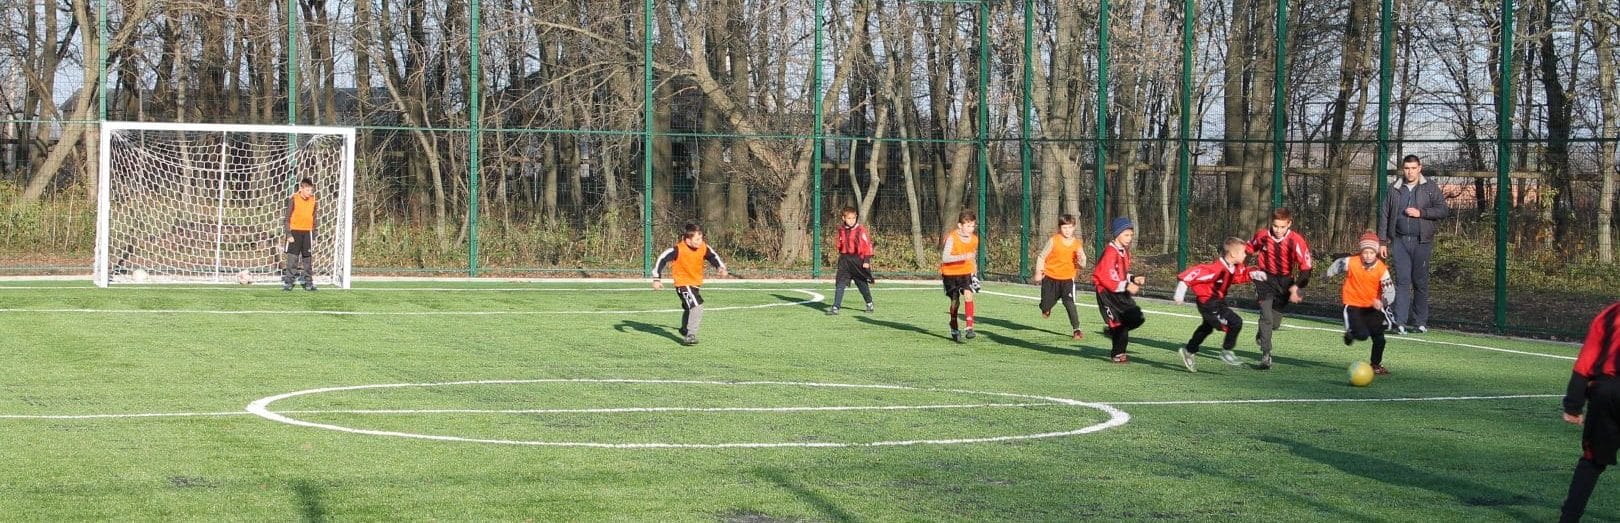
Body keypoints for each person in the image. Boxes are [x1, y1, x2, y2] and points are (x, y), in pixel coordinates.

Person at [1558, 301, 1620, 522]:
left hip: (1605, 392)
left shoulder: (1609, 315)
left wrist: (1573, 405)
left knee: (1592, 460)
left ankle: (1568, 519)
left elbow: (1585, 363)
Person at [1377, 154, 1449, 334]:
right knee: (1402, 281)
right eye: (1406, 168)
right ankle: (1400, 322)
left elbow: (1443, 210)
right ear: (1403, 169)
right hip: (1399, 242)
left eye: (1413, 168)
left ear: (1420, 168)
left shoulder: (1430, 187)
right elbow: (1385, 215)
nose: (1410, 172)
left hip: (1422, 241)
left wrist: (1421, 213)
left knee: (1420, 282)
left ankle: (1420, 322)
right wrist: (1382, 242)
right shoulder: (1394, 188)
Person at [1173, 237, 1256, 372]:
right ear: (1233, 254)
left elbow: (1238, 277)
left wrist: (1254, 274)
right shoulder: (1216, 268)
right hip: (1208, 304)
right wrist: (1180, 292)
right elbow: (1194, 273)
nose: (1245, 255)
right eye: (1243, 252)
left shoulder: (1231, 267)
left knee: (1206, 327)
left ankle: (1189, 351)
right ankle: (1226, 351)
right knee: (1235, 322)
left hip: (1218, 302)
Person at [1246, 207, 1314, 370]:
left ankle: (1262, 335)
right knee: (1266, 315)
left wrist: (1297, 287)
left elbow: (1306, 268)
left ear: (1289, 224)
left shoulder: (1296, 240)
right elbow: (1249, 250)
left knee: (1274, 323)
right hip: (1264, 279)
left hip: (1284, 282)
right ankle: (1266, 355)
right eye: (1275, 226)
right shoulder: (1262, 236)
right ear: (1271, 223)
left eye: (1282, 227)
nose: (1278, 230)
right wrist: (1241, 268)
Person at [1325, 231, 1396, 375]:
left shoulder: (1382, 269)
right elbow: (1338, 264)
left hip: (1372, 307)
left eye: (1371, 252)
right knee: (1362, 335)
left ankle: (1375, 364)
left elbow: (1390, 291)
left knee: (1380, 338)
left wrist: (1382, 302)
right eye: (1365, 252)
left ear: (1376, 252)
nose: (1368, 255)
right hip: (1353, 305)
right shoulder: (1352, 262)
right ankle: (1350, 334)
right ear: (1361, 251)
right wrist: (1327, 274)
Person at [652, 223, 729, 345]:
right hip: (683, 284)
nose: (700, 241)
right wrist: (656, 278)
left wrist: (720, 267)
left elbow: (713, 257)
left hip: (695, 284)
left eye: (701, 238)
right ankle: (690, 335)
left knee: (689, 307)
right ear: (688, 240)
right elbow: (662, 259)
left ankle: (684, 329)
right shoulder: (678, 249)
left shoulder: (703, 247)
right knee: (697, 306)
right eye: (697, 239)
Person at [1093, 217, 1147, 363]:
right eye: (1126, 235)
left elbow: (1120, 274)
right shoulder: (1110, 252)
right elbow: (1106, 277)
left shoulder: (1124, 251)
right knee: (1120, 325)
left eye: (1131, 235)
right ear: (1117, 234)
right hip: (1107, 294)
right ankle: (1118, 354)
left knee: (1136, 317)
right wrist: (1127, 285)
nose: (1129, 238)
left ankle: (1113, 332)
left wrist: (1133, 278)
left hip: (1120, 292)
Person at [1033, 215, 1089, 340]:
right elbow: (1041, 257)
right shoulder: (1054, 240)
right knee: (1045, 305)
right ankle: (1046, 308)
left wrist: (1081, 259)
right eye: (1064, 227)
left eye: (1070, 227)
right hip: (1050, 278)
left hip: (1067, 280)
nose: (1067, 230)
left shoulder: (1077, 244)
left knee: (1069, 303)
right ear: (1060, 228)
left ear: (1074, 228)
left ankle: (1077, 329)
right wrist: (1038, 272)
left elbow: (1083, 264)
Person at [940, 210, 981, 343]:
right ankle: (953, 324)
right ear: (960, 225)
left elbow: (973, 258)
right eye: (968, 226)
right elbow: (945, 258)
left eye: (972, 226)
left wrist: (974, 274)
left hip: (965, 272)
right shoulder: (952, 237)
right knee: (955, 302)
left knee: (969, 294)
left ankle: (969, 328)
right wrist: (964, 256)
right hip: (950, 274)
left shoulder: (974, 239)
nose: (970, 229)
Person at [828, 207, 875, 316]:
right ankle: (835, 307)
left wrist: (866, 260)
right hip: (845, 260)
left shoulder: (860, 230)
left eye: (853, 218)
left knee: (861, 284)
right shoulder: (841, 230)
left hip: (858, 261)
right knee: (840, 283)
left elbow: (867, 245)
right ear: (843, 218)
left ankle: (869, 303)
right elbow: (839, 244)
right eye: (849, 218)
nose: (851, 220)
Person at [282, 178, 318, 291]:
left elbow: (314, 218)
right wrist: (288, 234)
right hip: (294, 232)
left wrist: (314, 234)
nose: (309, 192)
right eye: (307, 190)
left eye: (311, 190)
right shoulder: (294, 199)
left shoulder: (313, 200)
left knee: (307, 259)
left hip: (308, 233)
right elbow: (287, 218)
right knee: (292, 259)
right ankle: (288, 283)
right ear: (301, 189)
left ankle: (308, 283)